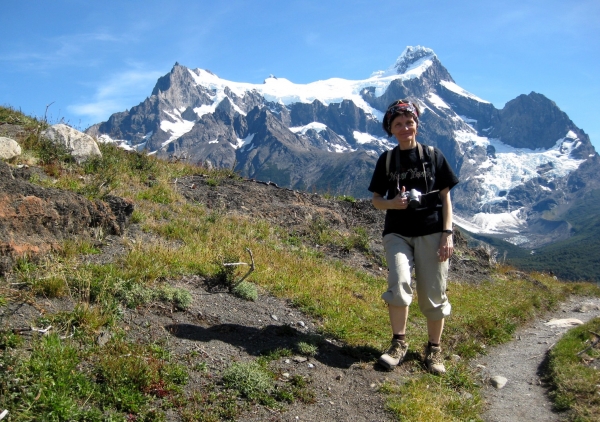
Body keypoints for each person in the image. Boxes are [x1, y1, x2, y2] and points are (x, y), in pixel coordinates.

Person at [368, 99, 459, 374]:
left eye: (409, 122)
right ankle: (399, 344)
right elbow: (375, 200)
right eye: (398, 124)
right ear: (391, 129)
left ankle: (434, 349)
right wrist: (392, 203)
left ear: (416, 124)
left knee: (433, 293)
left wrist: (447, 233)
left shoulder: (433, 155)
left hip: (432, 231)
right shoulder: (387, 160)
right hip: (397, 232)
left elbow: (446, 198)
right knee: (399, 283)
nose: (405, 127)